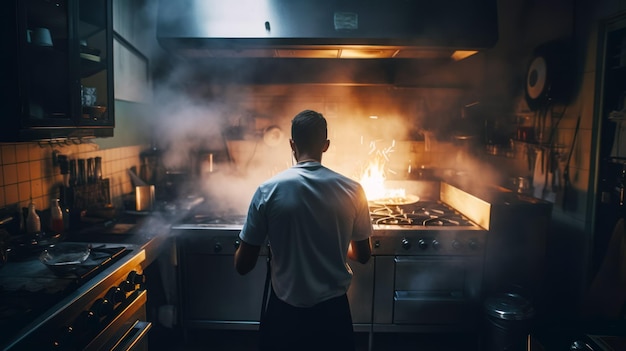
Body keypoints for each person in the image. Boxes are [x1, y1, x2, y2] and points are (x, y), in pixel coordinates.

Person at [234, 109, 373, 351]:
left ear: (291, 144)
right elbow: (362, 254)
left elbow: (243, 265)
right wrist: (337, 244)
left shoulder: (268, 190)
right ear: (326, 145)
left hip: (285, 313)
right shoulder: (353, 190)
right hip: (333, 313)